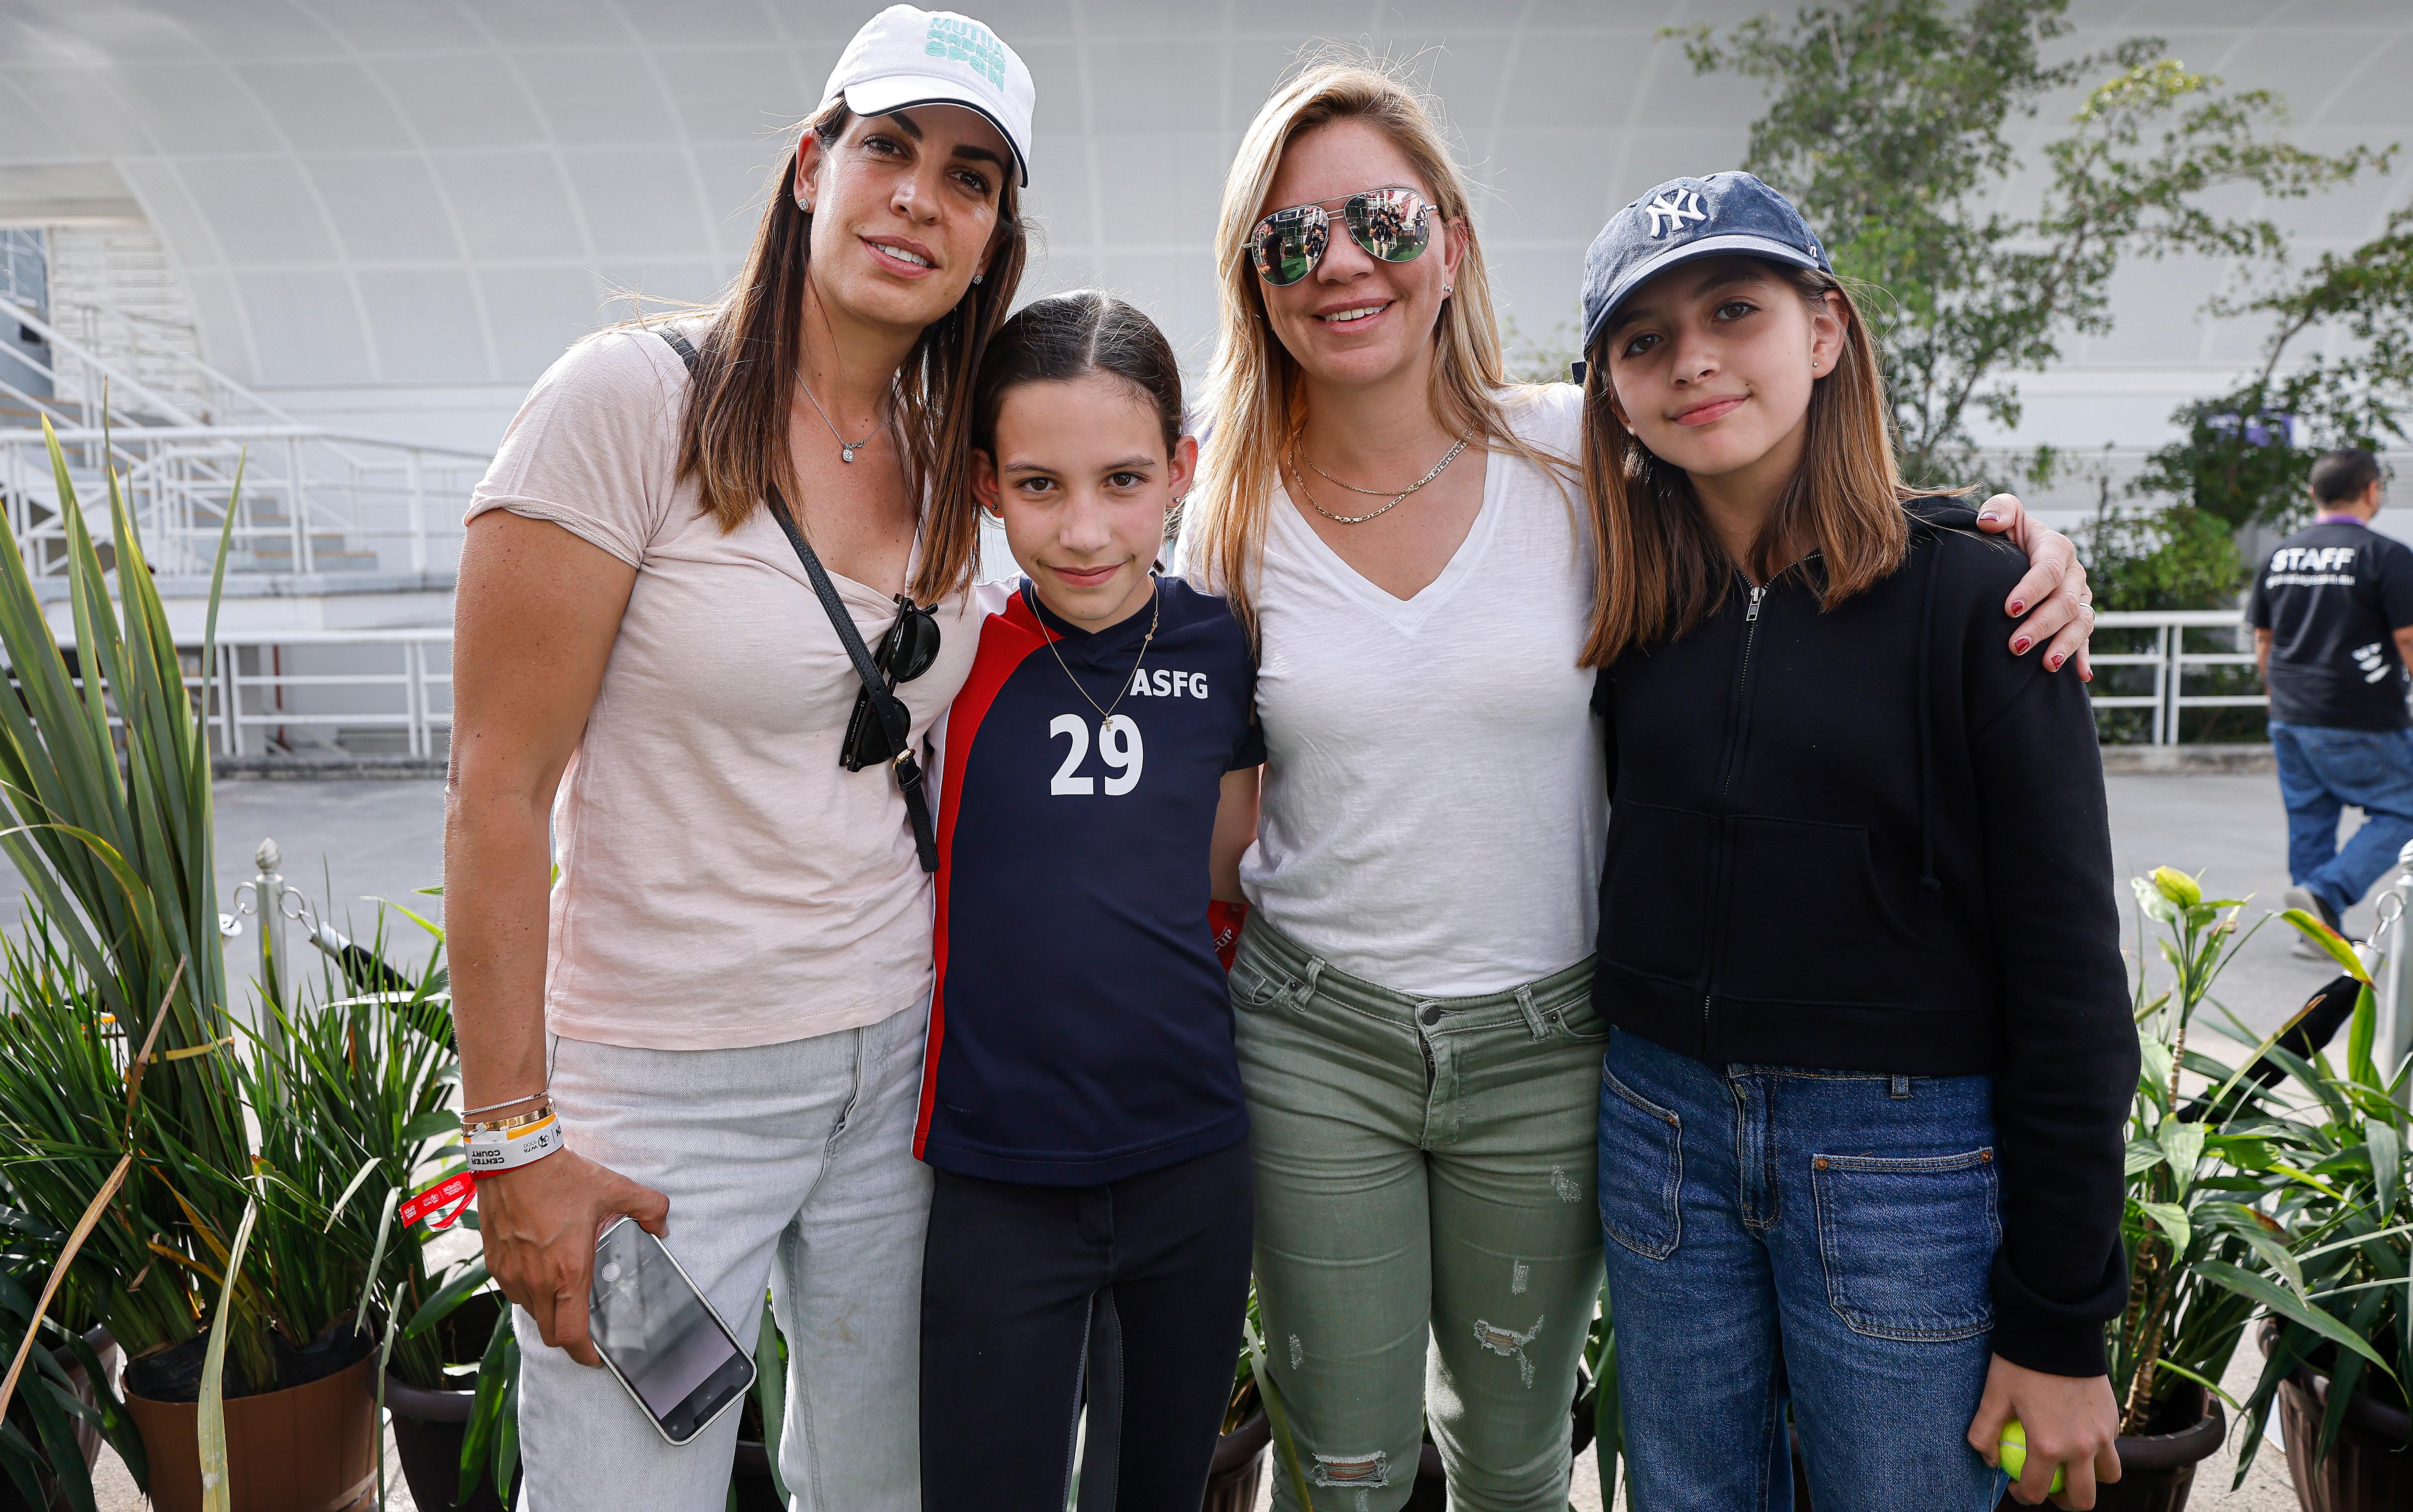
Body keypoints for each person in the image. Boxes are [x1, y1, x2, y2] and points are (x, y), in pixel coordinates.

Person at [1181, 58, 2100, 1511]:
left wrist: (2000, 545)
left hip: (1580, 1054)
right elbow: (1190, 791)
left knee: (1522, 1456)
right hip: (1360, 1044)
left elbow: (1790, 505)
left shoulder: (1566, 457)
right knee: (1353, 1464)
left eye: (1381, 218)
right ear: (1251, 275)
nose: (1342, 262)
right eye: (1291, 238)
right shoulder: (1219, 514)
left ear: (1452, 239)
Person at [442, 8, 1033, 1507]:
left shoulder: (953, 450)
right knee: (628, 1486)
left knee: (886, 1487)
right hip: (660, 1105)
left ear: (989, 243)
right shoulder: (627, 406)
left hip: (896, 1082)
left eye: (968, 177)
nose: (916, 194)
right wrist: (513, 1147)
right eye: (885, 146)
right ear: (806, 167)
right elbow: (496, 795)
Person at [1577, 173, 2134, 1512]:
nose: (1692, 358)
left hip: (1904, 1171)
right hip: (1661, 1133)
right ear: (1607, 390)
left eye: (1733, 310)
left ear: (1824, 331)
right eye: (1641, 340)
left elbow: (2068, 975)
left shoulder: (1980, 602)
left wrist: (2060, 1321)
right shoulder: (1620, 605)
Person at [915, 291, 1263, 1512]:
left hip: (1190, 1164)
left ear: (1182, 469)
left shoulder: (1225, 646)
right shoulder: (951, 660)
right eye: (1038, 485)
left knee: (1156, 1490)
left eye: (1122, 480)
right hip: (996, 1177)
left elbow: (1226, 877)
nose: (1083, 529)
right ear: (982, 484)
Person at [2246, 447, 2413, 955]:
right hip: (2361, 715)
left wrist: (2280, 697)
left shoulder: (2279, 555)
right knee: (2404, 809)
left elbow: (2262, 642)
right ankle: (2326, 893)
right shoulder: (2385, 556)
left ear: (2312, 494)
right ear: (2371, 491)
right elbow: (2407, 639)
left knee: (2309, 820)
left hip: (2291, 713)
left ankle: (2315, 933)